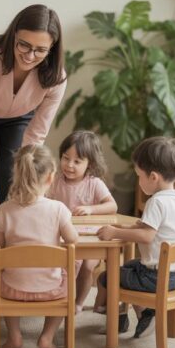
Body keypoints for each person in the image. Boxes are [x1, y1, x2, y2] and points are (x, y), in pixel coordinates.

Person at [0, 4, 68, 310]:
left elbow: (37, 133)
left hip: (20, 120)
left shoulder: (56, 77)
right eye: (24, 45)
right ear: (13, 35)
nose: (30, 56)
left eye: (40, 50)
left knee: (13, 188)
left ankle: (7, 279)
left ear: (52, 48)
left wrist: (25, 173)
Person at [94, 137, 175, 337]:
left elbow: (146, 236)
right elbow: (158, 228)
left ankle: (140, 314)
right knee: (128, 267)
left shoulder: (156, 202)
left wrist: (115, 232)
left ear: (153, 177)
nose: (138, 181)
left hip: (155, 277)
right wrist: (129, 226)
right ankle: (130, 314)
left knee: (109, 276)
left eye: (139, 176)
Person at [0, 144, 79, 348]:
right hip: (52, 290)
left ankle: (14, 337)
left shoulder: (5, 209)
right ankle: (47, 337)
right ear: (50, 178)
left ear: (17, 175)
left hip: (12, 290)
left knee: (3, 271)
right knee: (72, 268)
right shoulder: (58, 209)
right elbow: (72, 240)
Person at [47, 130, 117, 313]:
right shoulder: (55, 181)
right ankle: (58, 297)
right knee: (59, 264)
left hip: (90, 240)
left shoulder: (94, 183)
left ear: (90, 164)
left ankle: (78, 302)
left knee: (87, 266)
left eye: (77, 161)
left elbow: (112, 206)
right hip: (63, 238)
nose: (69, 165)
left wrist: (91, 209)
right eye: (65, 158)